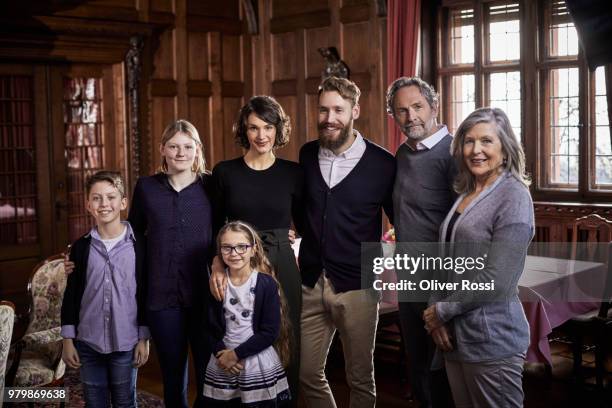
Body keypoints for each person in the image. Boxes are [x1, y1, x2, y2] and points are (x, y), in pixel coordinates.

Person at [423, 107, 534, 407]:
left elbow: (498, 278)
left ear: (505, 148)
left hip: (493, 337)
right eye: (469, 141)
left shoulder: (514, 196)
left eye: (486, 141)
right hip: (456, 339)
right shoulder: (467, 191)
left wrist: (441, 312)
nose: (476, 150)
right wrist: (436, 313)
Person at [299, 76, 395, 408]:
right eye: (323, 109)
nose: (329, 118)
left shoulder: (384, 164)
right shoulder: (308, 154)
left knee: (360, 379)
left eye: (338, 109)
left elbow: (398, 222)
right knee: (306, 372)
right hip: (310, 281)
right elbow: (303, 209)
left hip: (358, 286)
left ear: (355, 110)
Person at [208, 96, 303, 404]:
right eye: (253, 128)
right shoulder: (225, 172)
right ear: (244, 132)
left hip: (281, 261)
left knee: (287, 337)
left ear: (278, 130)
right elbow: (215, 226)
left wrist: (285, 234)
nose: (261, 135)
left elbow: (304, 223)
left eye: (268, 127)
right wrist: (217, 265)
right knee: (240, 334)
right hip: (237, 264)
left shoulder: (293, 172)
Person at [129, 119, 214, 407]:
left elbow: (231, 228)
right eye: (174, 146)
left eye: (187, 146)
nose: (181, 152)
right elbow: (132, 235)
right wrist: (83, 251)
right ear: (162, 149)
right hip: (162, 296)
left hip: (205, 294)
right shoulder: (146, 188)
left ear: (198, 149)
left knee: (208, 374)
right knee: (173, 374)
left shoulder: (212, 186)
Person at [386, 77, 456, 407]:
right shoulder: (401, 154)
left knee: (443, 371)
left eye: (417, 107)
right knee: (418, 371)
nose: (410, 116)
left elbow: (464, 228)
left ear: (434, 106)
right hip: (409, 279)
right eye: (401, 110)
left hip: (442, 283)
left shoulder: (455, 154)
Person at [61, 170, 150, 407]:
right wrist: (68, 339)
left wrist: (144, 337)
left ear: (123, 202)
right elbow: (72, 295)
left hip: (126, 341)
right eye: (97, 198)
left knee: (124, 401)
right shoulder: (81, 247)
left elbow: (145, 293)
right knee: (94, 401)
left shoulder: (139, 244)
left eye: (110, 197)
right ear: (88, 205)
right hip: (88, 341)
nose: (104, 204)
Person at [204, 221, 291, 407]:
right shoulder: (217, 283)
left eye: (241, 247)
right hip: (223, 361)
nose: (234, 253)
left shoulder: (266, 284)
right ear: (220, 252)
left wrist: (235, 355)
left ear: (253, 249)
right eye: (227, 248)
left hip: (255, 363)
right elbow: (208, 326)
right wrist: (222, 354)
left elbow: (270, 332)